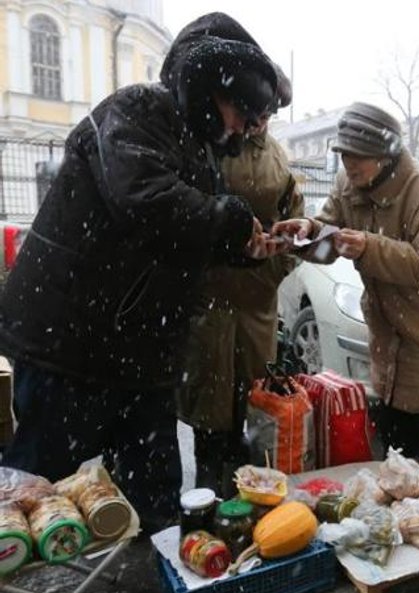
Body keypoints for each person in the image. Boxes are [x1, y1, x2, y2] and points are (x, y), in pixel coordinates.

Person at [0, 12, 283, 533]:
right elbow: (147, 201)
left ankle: (156, 564)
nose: (247, 126)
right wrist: (231, 219)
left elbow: (190, 230)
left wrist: (248, 245)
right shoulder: (137, 111)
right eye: (242, 109)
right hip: (71, 350)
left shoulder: (198, 147)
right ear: (205, 86)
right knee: (36, 503)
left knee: (155, 504)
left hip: (141, 356)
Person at [272, 102, 419, 472]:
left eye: (358, 156)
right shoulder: (348, 182)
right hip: (389, 323)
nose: (349, 164)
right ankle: (399, 501)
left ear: (385, 156)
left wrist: (370, 246)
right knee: (393, 438)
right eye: (344, 154)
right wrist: (307, 233)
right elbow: (329, 239)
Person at [178, 101, 303, 498]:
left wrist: (269, 269)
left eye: (270, 115)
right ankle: (208, 489)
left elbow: (295, 226)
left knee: (252, 400)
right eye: (257, 112)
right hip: (209, 300)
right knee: (208, 403)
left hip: (256, 302)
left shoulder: (277, 157)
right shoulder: (209, 144)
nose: (261, 123)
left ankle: (247, 490)